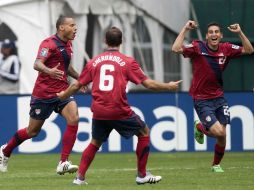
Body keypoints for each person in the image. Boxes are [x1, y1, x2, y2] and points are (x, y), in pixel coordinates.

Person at [57, 26, 182, 185]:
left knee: (95, 142)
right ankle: (142, 175)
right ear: (121, 41)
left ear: (105, 41)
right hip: (118, 109)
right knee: (144, 132)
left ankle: (79, 178)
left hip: (99, 110)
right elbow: (148, 84)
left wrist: (63, 95)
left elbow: (76, 85)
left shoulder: (94, 61)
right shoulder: (128, 62)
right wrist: (168, 86)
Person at [0, 15, 82, 174]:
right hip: (43, 94)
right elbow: (37, 64)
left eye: (75, 25)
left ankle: (63, 162)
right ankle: (5, 150)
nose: (75, 28)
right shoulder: (48, 44)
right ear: (61, 28)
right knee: (32, 131)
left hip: (62, 92)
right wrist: (49, 71)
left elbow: (67, 68)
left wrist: (81, 80)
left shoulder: (69, 44)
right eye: (72, 25)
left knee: (74, 118)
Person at [172, 20, 254, 172]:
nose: (214, 34)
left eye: (216, 32)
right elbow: (175, 48)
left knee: (222, 136)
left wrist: (240, 33)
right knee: (219, 132)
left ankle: (216, 165)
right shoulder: (197, 47)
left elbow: (249, 50)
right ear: (207, 36)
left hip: (219, 97)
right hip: (201, 98)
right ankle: (199, 126)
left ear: (221, 35)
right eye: (211, 32)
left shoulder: (227, 48)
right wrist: (185, 29)